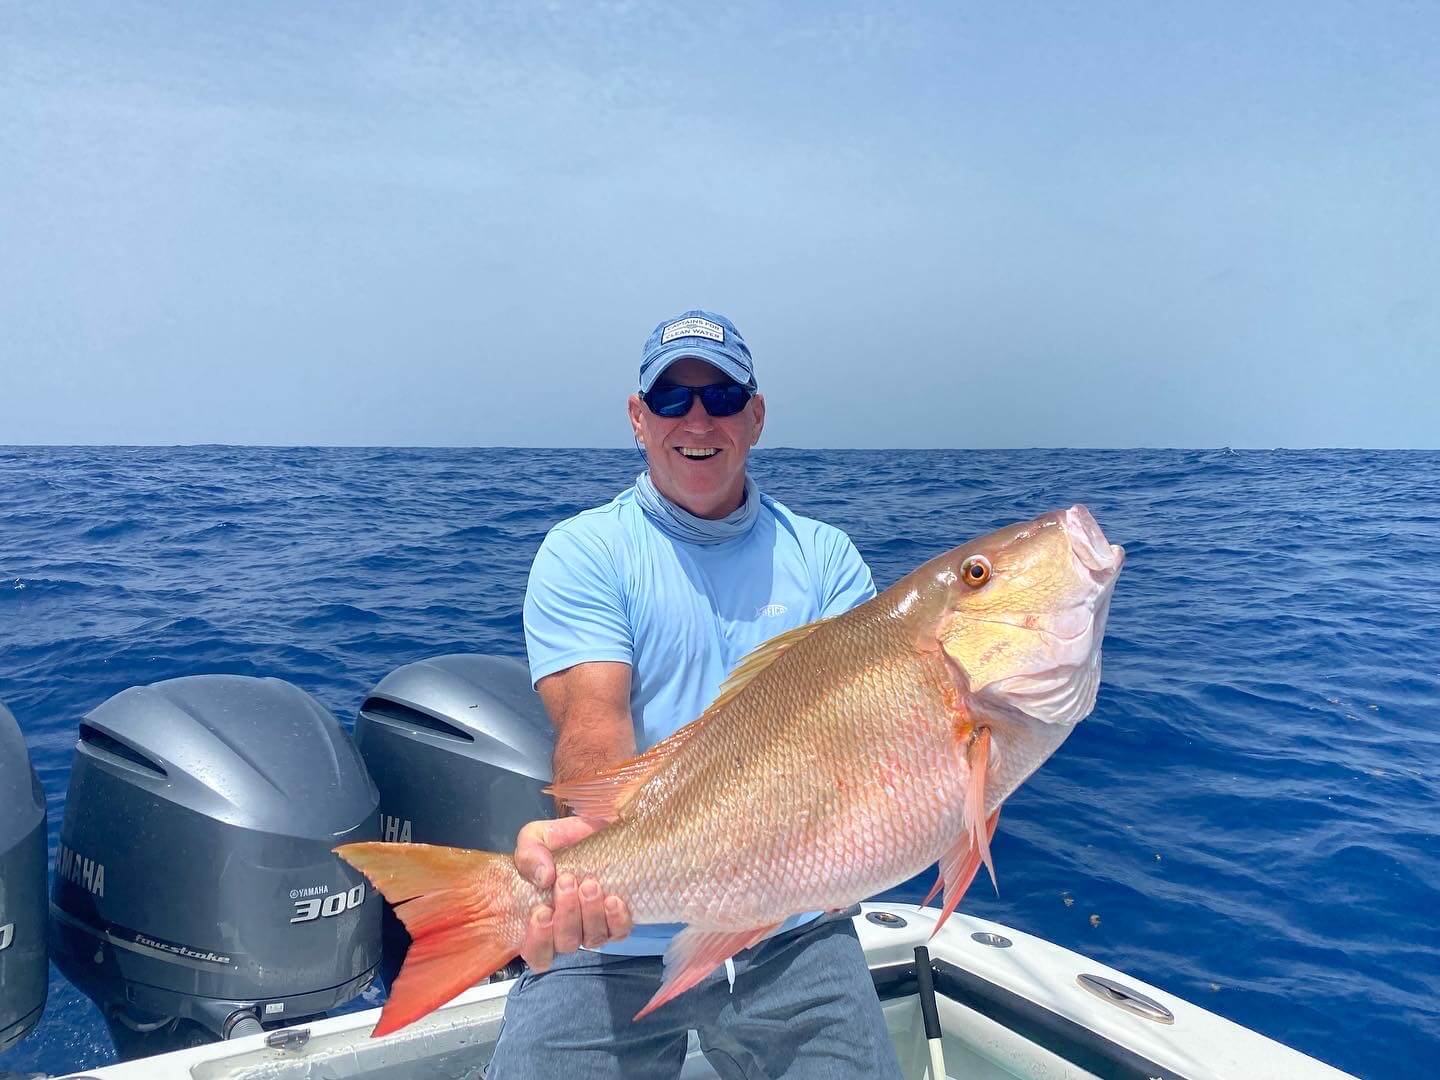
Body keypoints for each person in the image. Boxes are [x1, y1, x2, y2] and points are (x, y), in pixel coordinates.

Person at [485, 310, 903, 1079]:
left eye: (721, 396)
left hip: (792, 932)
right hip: (614, 936)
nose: (698, 419)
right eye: (672, 400)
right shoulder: (587, 551)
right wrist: (588, 868)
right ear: (639, 419)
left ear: (756, 415)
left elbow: (864, 742)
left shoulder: (826, 559)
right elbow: (592, 725)